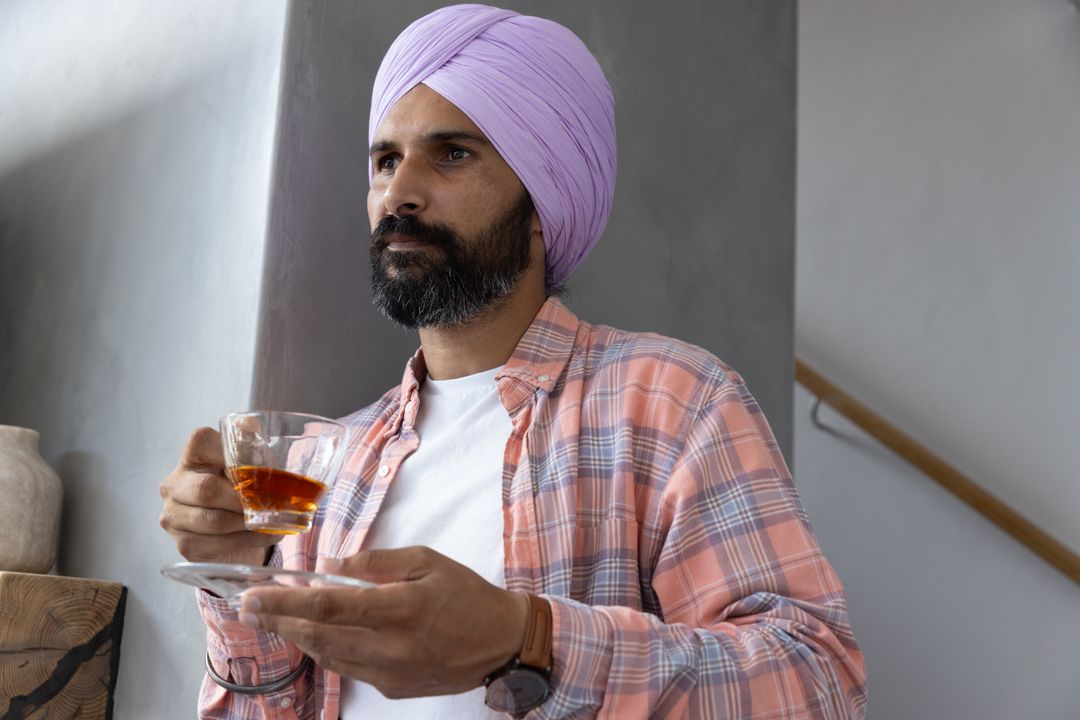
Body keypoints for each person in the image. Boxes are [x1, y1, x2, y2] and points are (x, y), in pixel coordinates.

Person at [159, 4, 867, 718]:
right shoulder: (330, 461)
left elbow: (819, 684)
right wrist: (240, 577)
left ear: (542, 196)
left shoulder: (675, 402)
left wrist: (527, 640)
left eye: (452, 153)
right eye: (385, 160)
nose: (399, 192)